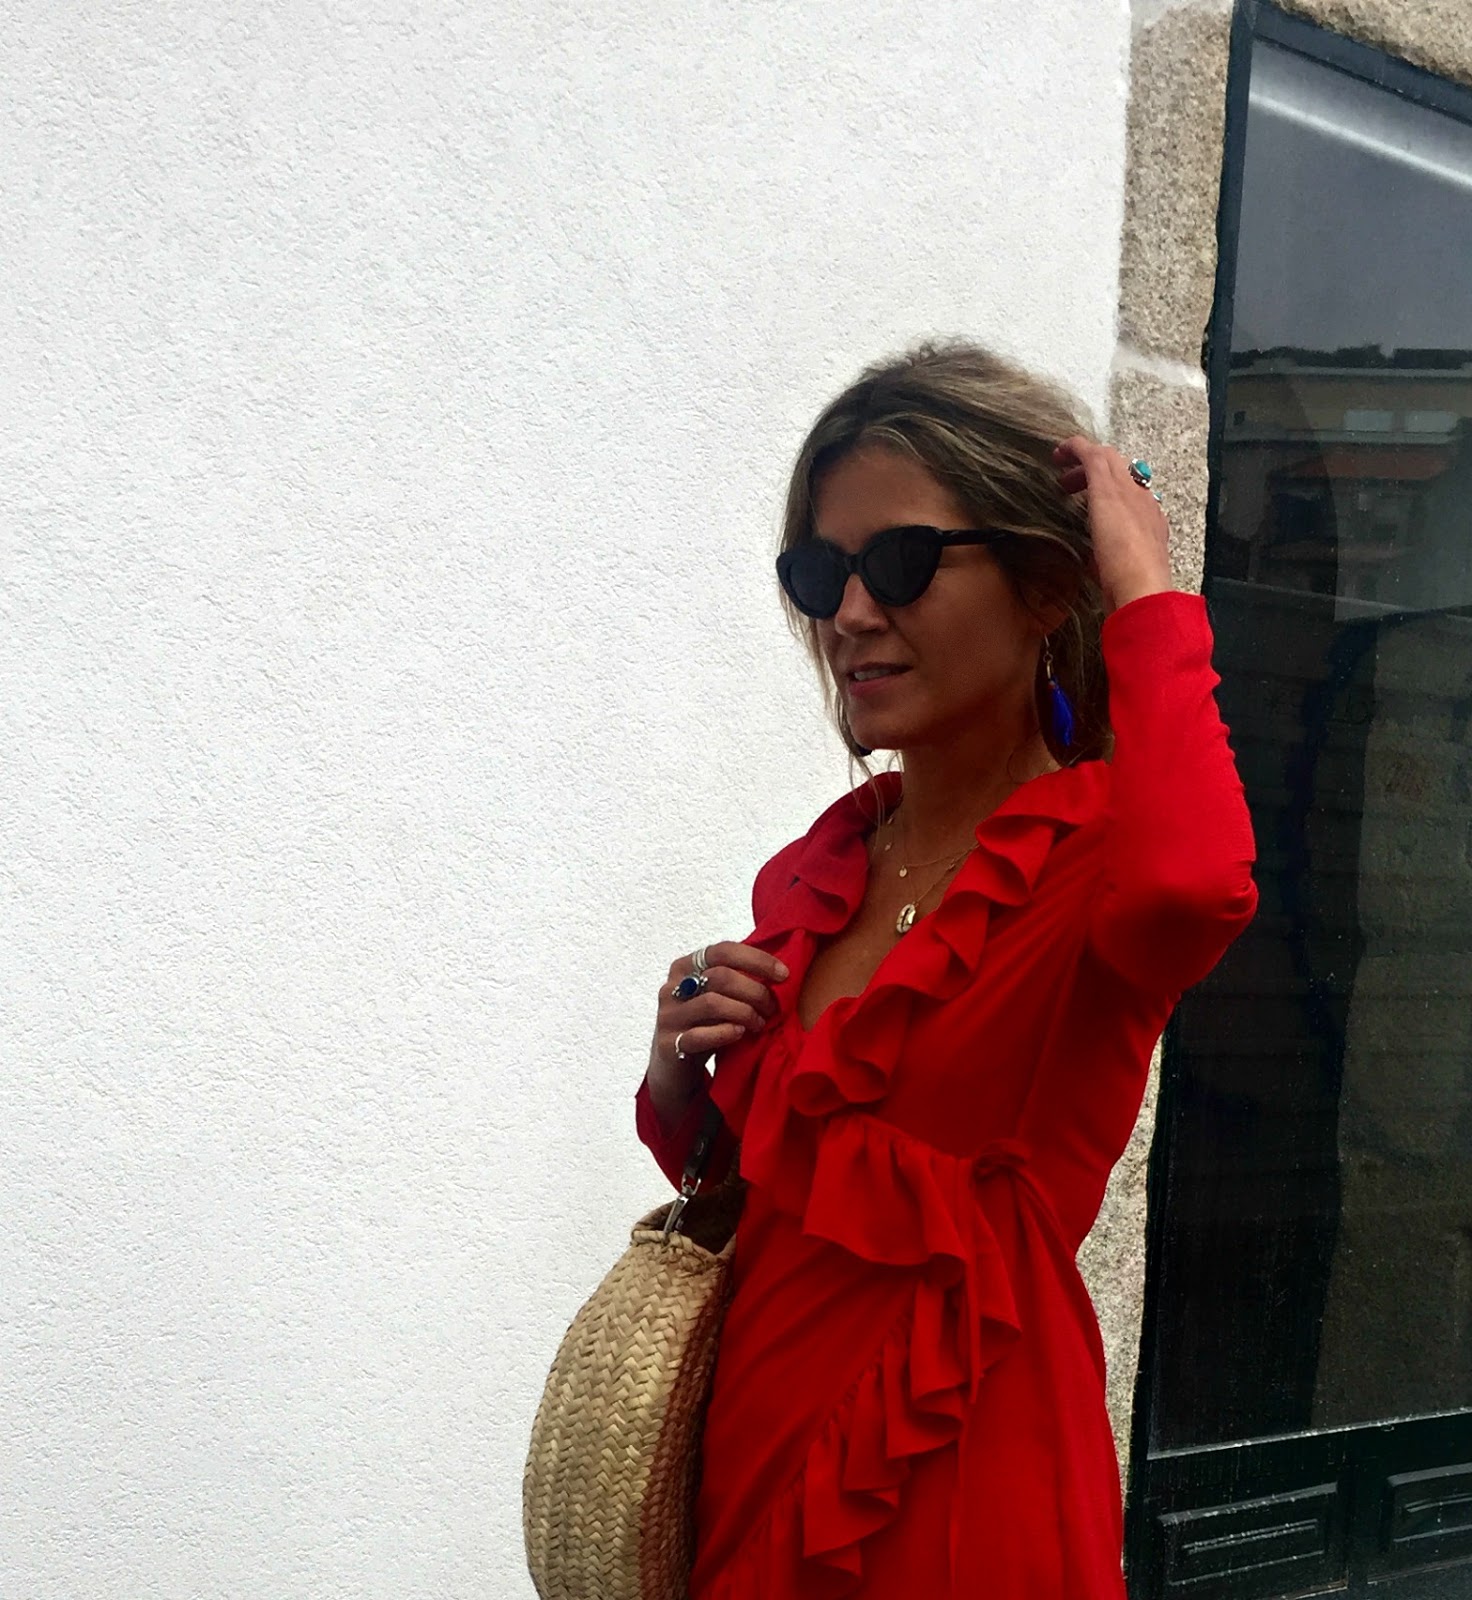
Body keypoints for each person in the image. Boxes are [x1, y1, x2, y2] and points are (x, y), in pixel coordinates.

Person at [634, 341, 1259, 1598]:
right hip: (750, 1456)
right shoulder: (815, 875)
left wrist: (1142, 585)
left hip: (963, 1484)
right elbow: (780, 1189)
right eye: (822, 574)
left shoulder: (1098, 862)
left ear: (1043, 584)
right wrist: (676, 1074)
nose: (851, 615)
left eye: (901, 563)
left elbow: (1197, 886)